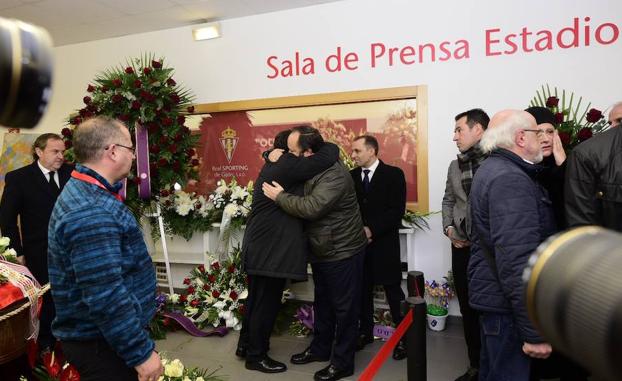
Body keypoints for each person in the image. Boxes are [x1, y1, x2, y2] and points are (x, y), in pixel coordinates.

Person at [47, 116, 162, 381]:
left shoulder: (88, 193)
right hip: (101, 346)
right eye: (131, 149)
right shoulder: (90, 210)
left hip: (105, 339)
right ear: (112, 151)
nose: (134, 157)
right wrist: (141, 354)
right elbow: (105, 295)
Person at [263, 125, 367, 381]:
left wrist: (280, 197)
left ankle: (343, 363)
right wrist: (270, 155)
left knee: (344, 308)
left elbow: (311, 207)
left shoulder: (334, 175)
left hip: (342, 251)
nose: (290, 155)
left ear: (308, 152)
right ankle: (320, 349)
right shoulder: (314, 166)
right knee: (323, 303)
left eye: (293, 151)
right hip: (323, 249)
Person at [237, 129, 339, 373]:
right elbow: (329, 154)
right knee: (266, 303)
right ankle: (256, 356)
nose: (298, 154)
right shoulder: (288, 164)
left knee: (256, 300)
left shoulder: (279, 163)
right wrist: (275, 153)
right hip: (269, 249)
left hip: (263, 245)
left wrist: (269, 152)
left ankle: (246, 346)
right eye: (294, 150)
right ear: (286, 152)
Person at [469, 110, 554, 381]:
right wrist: (534, 331)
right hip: (507, 309)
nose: (542, 138)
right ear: (520, 137)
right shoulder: (510, 179)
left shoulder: (492, 169)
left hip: (496, 301)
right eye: (536, 132)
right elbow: (517, 260)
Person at [0, 132, 72, 354]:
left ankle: (72, 342)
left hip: (72, 249)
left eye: (63, 151)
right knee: (47, 300)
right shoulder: (19, 178)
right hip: (38, 251)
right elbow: (7, 220)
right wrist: (17, 252)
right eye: (55, 151)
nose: (61, 156)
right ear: (39, 152)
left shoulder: (73, 174)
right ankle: (45, 347)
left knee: (72, 296)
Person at [441, 108, 489, 381]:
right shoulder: (454, 165)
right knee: (468, 308)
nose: (454, 136)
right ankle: (475, 366)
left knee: (490, 310)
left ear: (478, 130)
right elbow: (449, 199)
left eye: (459, 130)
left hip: (488, 249)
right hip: (460, 247)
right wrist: (449, 229)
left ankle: (494, 366)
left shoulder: (498, 162)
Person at [349, 135, 407, 360]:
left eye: (356, 151)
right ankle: (365, 333)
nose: (352, 155)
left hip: (384, 246)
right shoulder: (350, 177)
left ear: (371, 151)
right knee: (362, 291)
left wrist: (371, 230)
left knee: (394, 292)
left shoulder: (394, 175)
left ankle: (404, 337)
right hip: (357, 246)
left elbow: (396, 211)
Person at [565, 101, 622, 231]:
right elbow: (581, 221)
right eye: (609, 123)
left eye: (619, 120)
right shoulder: (589, 154)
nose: (613, 127)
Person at [525, 106, 568, 229]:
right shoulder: (523, 169)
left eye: (550, 132)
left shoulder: (567, 163)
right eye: (538, 133)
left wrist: (563, 166)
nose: (545, 139)